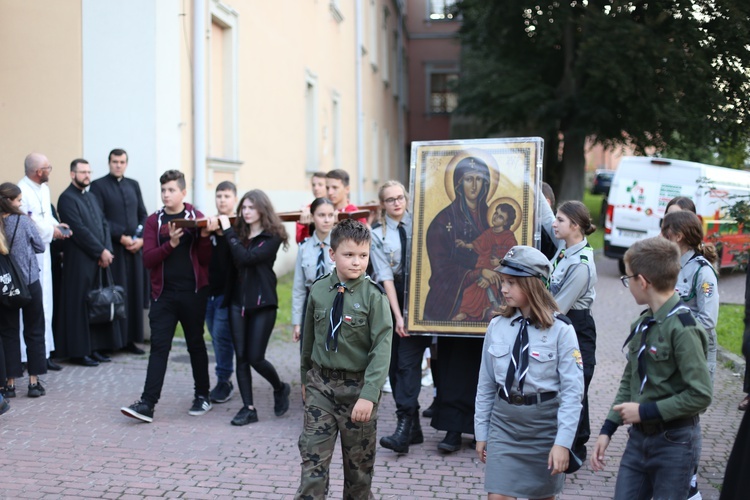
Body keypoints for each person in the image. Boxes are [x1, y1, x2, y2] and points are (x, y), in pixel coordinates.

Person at [591, 237, 713, 500]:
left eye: (628, 278)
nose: (628, 284)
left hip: (675, 442)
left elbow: (701, 395)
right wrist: (607, 429)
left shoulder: (684, 328)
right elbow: (629, 380)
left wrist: (645, 411)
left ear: (643, 281)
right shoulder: (644, 322)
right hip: (639, 440)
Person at [475, 245, 583, 499]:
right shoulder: (497, 326)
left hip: (544, 427)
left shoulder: (561, 330)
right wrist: (481, 432)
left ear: (533, 285)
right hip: (504, 423)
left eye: (512, 282)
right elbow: (486, 384)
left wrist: (563, 443)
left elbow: (572, 394)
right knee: (497, 495)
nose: (503, 289)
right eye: (503, 281)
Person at [296, 219, 392, 499]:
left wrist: (369, 395)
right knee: (312, 465)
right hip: (320, 388)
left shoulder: (374, 297)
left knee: (358, 474)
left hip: (358, 391)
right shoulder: (318, 290)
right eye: (349, 255)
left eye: (363, 256)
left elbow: (381, 349)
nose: (357, 262)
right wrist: (305, 379)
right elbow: (309, 342)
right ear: (332, 254)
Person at [120, 170, 214, 423]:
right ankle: (147, 404)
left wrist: (204, 238)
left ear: (183, 192)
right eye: (163, 190)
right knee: (159, 348)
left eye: (171, 190)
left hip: (193, 294)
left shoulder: (198, 218)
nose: (166, 195)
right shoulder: (154, 221)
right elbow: (148, 259)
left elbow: (206, 260)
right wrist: (170, 244)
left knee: (196, 344)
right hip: (163, 296)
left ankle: (202, 396)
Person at [423, 156, 491, 453]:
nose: (473, 185)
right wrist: (475, 273)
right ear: (458, 183)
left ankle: (480, 429)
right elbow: (440, 263)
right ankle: (452, 428)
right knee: (454, 366)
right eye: (468, 179)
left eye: (479, 179)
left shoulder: (495, 217)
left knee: (484, 370)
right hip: (454, 302)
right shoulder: (443, 219)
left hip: (488, 307)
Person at [217, 189, 291, 426]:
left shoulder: (273, 236)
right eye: (243, 208)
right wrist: (224, 235)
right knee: (241, 357)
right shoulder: (238, 233)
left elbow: (247, 258)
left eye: (251, 207)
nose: (246, 212)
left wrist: (227, 233)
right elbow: (227, 260)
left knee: (255, 357)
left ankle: (280, 387)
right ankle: (248, 408)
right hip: (238, 302)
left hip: (263, 302)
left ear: (262, 209)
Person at [661, 209, 719, 500]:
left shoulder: (701, 271)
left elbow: (707, 320)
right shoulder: (673, 266)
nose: (661, 236)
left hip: (693, 355)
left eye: (664, 231)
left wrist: (674, 330)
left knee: (688, 417)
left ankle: (690, 482)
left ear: (678, 236)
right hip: (671, 356)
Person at [372, 181, 431, 454]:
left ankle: (404, 427)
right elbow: (385, 277)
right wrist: (398, 316)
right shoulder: (377, 234)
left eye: (400, 198)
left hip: (423, 300)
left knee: (408, 365)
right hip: (392, 301)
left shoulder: (422, 225)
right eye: (390, 199)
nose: (396, 203)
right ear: (382, 204)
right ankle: (414, 427)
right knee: (394, 365)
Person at [540, 199, 597, 466]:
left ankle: (575, 449)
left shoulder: (581, 263)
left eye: (560, 219)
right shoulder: (565, 249)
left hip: (574, 325)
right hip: (560, 320)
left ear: (575, 225)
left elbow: (560, 306)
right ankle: (571, 443)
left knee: (576, 386)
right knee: (567, 385)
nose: (554, 223)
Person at [57, 159, 120, 366]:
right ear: (72, 174)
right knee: (79, 306)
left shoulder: (91, 196)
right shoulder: (66, 199)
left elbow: (103, 225)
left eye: (89, 172)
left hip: (98, 259)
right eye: (82, 172)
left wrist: (107, 250)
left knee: (96, 304)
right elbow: (78, 230)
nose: (87, 175)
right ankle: (79, 351)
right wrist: (100, 250)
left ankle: (95, 348)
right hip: (79, 261)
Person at [90, 148, 148, 356]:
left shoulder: (133, 185)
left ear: (126, 164)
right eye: (115, 161)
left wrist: (140, 238)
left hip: (134, 250)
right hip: (113, 249)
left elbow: (143, 214)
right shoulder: (98, 186)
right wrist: (121, 237)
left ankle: (130, 340)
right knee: (113, 293)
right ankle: (110, 342)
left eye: (122, 162)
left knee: (133, 294)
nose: (118, 165)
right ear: (109, 163)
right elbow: (100, 217)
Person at [18, 153, 70, 371]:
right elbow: (29, 223)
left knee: (46, 301)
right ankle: (25, 356)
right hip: (29, 255)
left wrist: (59, 225)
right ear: (39, 172)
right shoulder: (22, 191)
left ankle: (45, 352)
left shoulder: (44, 188)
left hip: (45, 251)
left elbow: (45, 216)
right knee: (32, 305)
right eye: (48, 167)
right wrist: (53, 231)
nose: (50, 170)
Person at [0, 183, 47, 398]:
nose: (21, 203)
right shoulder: (24, 221)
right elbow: (40, 246)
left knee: (9, 332)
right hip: (29, 282)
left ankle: (9, 383)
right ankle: (33, 382)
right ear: (10, 201)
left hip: (6, 287)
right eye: (19, 200)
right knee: (34, 330)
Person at [453, 203, 518, 321]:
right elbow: (477, 244)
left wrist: (500, 261)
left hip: (497, 274)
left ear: (506, 222)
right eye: (496, 213)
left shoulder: (509, 237)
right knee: (469, 291)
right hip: (483, 270)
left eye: (500, 217)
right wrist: (465, 244)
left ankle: (482, 311)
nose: (495, 217)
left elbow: (513, 257)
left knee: (483, 291)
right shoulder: (489, 232)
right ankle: (465, 312)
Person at [205, 181, 238, 405]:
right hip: (209, 292)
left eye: (226, 196)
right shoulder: (207, 226)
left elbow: (236, 258)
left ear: (235, 199)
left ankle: (224, 380)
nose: (222, 200)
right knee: (215, 337)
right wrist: (208, 236)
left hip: (229, 293)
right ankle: (224, 377)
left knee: (221, 336)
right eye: (219, 196)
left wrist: (226, 232)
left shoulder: (238, 227)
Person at [292, 197, 335, 344]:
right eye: (321, 215)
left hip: (336, 303)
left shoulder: (341, 245)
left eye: (330, 215)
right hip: (311, 305)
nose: (327, 220)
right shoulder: (304, 247)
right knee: (308, 352)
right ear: (312, 217)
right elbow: (299, 288)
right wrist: (297, 323)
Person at [295, 171, 328, 244]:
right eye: (313, 185)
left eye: (320, 185)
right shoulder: (307, 209)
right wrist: (305, 225)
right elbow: (299, 240)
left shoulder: (335, 208)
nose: (316, 188)